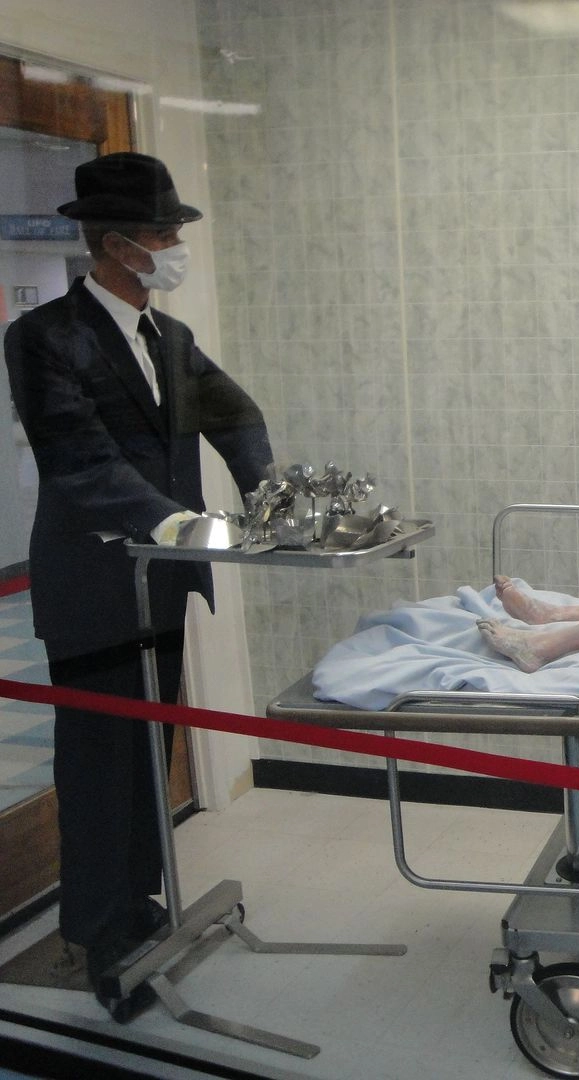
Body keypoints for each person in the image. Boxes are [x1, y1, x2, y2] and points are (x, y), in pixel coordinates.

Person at [4, 153, 274, 1016]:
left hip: (158, 585)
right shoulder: (45, 337)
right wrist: (176, 523)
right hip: (92, 585)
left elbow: (236, 415)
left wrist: (272, 498)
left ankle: (141, 902)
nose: (174, 247)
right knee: (98, 761)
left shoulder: (169, 338)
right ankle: (99, 934)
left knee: (150, 751)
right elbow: (79, 461)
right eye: (164, 234)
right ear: (118, 245)